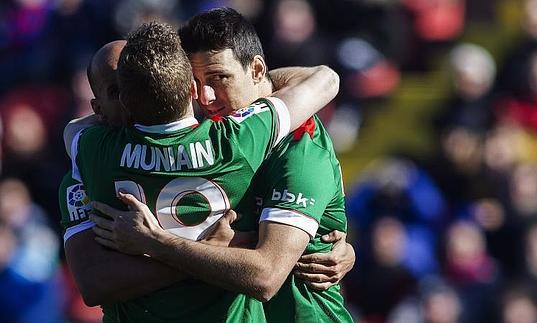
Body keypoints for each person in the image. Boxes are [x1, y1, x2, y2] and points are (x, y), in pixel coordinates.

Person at [92, 7, 354, 322]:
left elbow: (266, 275)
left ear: (257, 70)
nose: (205, 97)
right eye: (195, 82)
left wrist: (158, 243)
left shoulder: (299, 146)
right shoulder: (214, 137)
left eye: (219, 78)